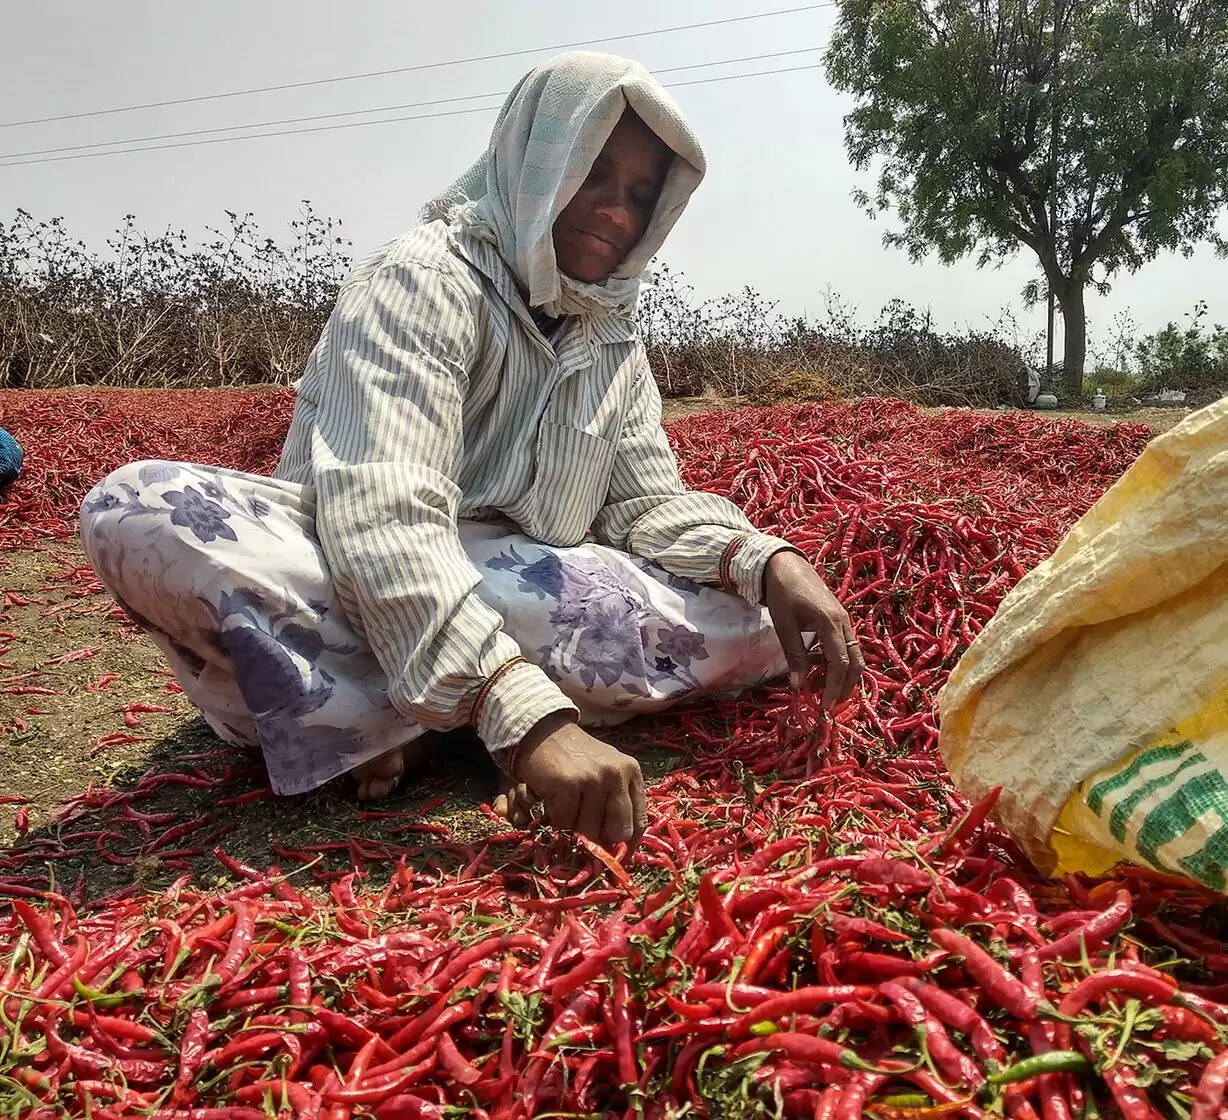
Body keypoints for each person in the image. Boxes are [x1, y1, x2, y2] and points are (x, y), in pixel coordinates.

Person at [79, 52, 865, 851]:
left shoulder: (610, 339)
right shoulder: (422, 280)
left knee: (756, 620)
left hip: (513, 581)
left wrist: (767, 561)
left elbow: (642, 504)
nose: (615, 213)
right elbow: (384, 512)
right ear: (537, 159)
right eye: (595, 173)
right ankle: (469, 697)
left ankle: (380, 716)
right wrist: (527, 720)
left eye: (638, 195)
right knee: (141, 512)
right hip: (352, 571)